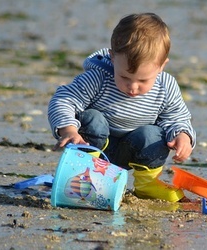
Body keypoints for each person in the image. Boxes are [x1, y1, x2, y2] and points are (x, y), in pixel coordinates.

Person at [48, 13, 196, 202]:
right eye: (125, 77)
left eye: (143, 80)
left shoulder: (166, 87)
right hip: (95, 150)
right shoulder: (99, 78)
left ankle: (147, 185)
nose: (133, 87)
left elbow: (177, 118)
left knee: (153, 134)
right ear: (112, 57)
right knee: (93, 119)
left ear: (161, 66)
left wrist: (182, 135)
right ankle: (87, 177)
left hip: (133, 151)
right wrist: (68, 129)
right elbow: (64, 99)